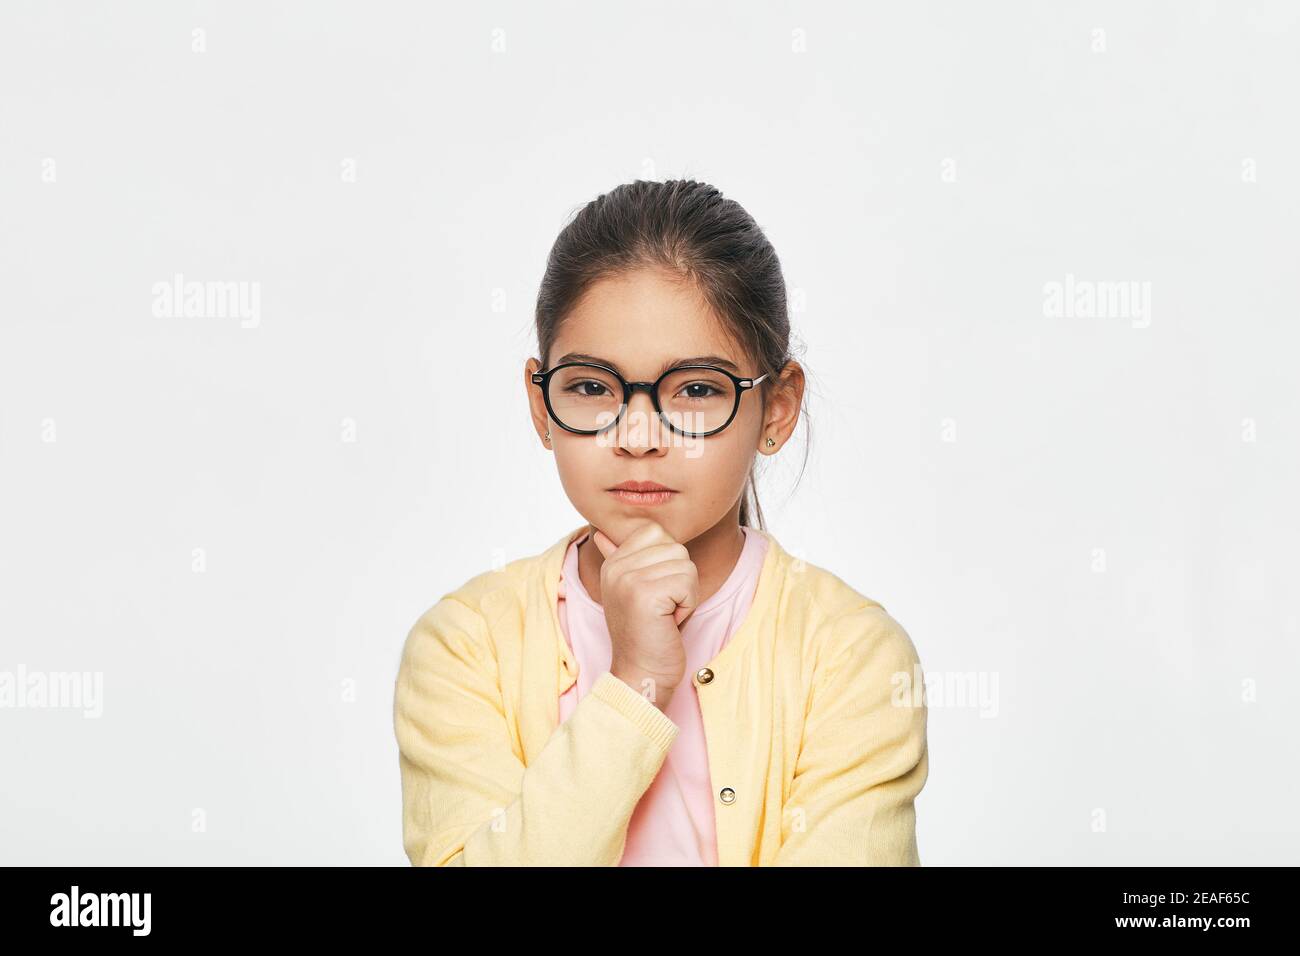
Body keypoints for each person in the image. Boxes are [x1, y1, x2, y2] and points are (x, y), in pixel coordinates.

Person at [393, 179, 928, 866]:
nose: (639, 434)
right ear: (540, 405)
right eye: (591, 387)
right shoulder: (465, 649)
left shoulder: (852, 655)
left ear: (778, 409)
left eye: (698, 390)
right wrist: (634, 682)